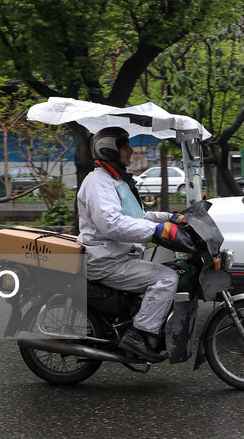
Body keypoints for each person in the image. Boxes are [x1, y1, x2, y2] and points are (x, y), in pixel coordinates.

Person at [76, 126, 193, 362]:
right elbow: (111, 223)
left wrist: (168, 218)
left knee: (167, 271)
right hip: (106, 261)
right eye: (125, 146)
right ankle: (139, 335)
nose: (131, 151)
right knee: (166, 278)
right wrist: (156, 231)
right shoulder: (98, 183)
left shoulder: (115, 180)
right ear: (109, 150)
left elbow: (136, 217)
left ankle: (140, 324)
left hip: (120, 256)